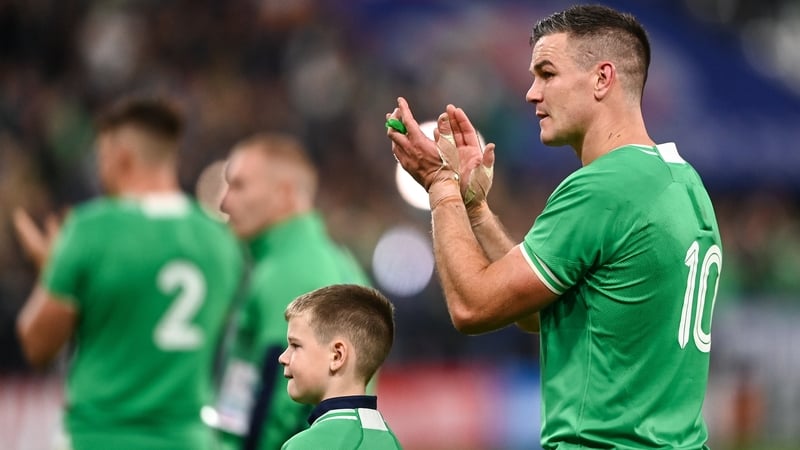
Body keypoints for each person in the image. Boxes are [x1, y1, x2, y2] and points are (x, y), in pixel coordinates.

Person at [386, 4, 722, 449]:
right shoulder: (683, 181)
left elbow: (472, 307)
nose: (530, 92)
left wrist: (439, 185)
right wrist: (476, 209)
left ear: (603, 78)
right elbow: (533, 311)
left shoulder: (605, 187)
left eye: (547, 73)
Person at [13, 95, 244, 450]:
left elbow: (37, 346)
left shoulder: (90, 229)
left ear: (120, 157)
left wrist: (52, 272)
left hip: (101, 436)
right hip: (188, 439)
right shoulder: (220, 243)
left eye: (100, 156)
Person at [213, 132, 371, 450]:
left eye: (239, 186)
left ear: (284, 194)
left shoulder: (288, 270)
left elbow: (280, 399)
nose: (225, 202)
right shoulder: (338, 260)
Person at [278, 284, 402, 450]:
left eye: (295, 345)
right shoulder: (390, 442)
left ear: (337, 356)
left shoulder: (308, 445)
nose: (283, 358)